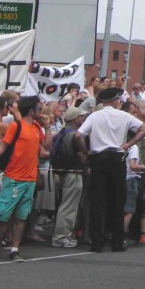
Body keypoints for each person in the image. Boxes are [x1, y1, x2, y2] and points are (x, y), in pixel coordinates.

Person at [0, 96, 51, 262]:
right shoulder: (16, 127)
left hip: (30, 179)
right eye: (39, 109)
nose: (41, 112)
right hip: (14, 177)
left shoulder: (35, 127)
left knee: (22, 216)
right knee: (3, 214)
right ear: (32, 110)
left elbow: (46, 148)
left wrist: (47, 127)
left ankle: (15, 249)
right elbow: (1, 148)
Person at [77, 86, 145, 253]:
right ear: (115, 100)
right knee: (118, 200)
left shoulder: (95, 116)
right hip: (117, 158)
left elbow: (78, 135)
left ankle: (97, 242)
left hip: (98, 158)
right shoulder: (124, 116)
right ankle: (117, 241)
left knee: (97, 201)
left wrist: (86, 152)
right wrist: (130, 144)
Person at [50, 105, 88, 248]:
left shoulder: (62, 132)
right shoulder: (73, 135)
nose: (83, 118)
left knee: (65, 204)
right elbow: (81, 155)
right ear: (75, 119)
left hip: (64, 171)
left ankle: (62, 235)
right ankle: (61, 237)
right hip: (73, 172)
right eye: (81, 116)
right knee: (69, 206)